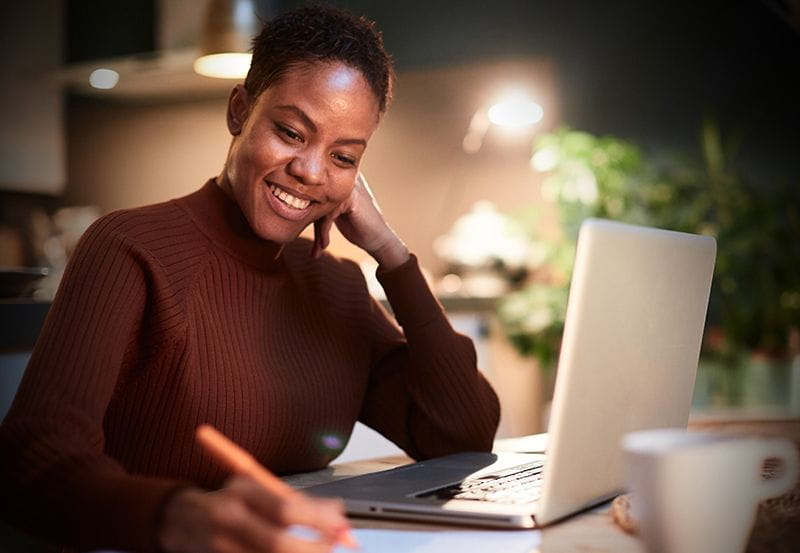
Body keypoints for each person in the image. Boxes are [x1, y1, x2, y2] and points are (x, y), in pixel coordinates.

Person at [0, 5, 500, 553]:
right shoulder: (128, 248)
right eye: (290, 132)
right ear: (240, 110)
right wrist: (182, 516)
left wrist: (392, 254)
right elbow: (30, 461)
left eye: (343, 156)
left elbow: (462, 435)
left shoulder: (336, 287)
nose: (310, 171)